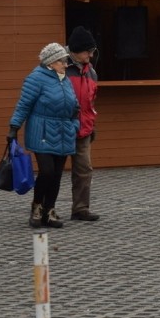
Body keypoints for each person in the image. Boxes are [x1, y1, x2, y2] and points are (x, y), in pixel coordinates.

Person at [8, 43, 79, 229]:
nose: (66, 64)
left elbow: (75, 106)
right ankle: (37, 207)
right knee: (46, 171)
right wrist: (14, 127)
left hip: (64, 132)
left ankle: (50, 210)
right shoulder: (36, 78)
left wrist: (75, 125)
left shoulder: (65, 79)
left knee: (56, 175)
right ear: (51, 62)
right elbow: (24, 104)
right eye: (62, 61)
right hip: (42, 131)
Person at [66, 26, 100, 222]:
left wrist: (92, 123)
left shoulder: (91, 73)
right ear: (76, 51)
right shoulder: (60, 69)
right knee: (51, 171)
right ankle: (45, 208)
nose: (91, 55)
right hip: (63, 128)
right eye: (88, 51)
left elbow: (91, 102)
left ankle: (80, 208)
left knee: (84, 170)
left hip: (84, 128)